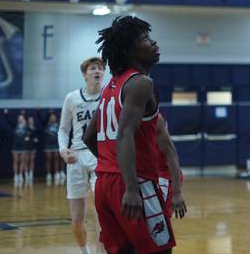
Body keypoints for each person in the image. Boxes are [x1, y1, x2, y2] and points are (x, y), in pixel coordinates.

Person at [83, 16, 178, 254]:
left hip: (104, 183)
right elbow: (124, 133)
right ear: (129, 50)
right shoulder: (141, 83)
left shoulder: (111, 86)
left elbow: (88, 137)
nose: (153, 42)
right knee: (158, 251)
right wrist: (132, 187)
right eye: (145, 39)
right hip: (134, 182)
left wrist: (111, 165)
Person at [59, 57, 104, 254]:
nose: (98, 71)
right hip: (76, 157)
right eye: (93, 68)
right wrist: (62, 149)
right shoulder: (72, 98)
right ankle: (84, 251)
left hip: (100, 158)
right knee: (77, 218)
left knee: (102, 215)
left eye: (101, 68)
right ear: (84, 74)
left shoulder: (109, 96)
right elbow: (62, 129)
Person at [155, 112, 187, 220]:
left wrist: (177, 193)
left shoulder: (155, 119)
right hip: (149, 174)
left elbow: (171, 153)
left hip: (164, 175)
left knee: (158, 223)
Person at [40, 111, 61, 184]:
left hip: (56, 144)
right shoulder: (46, 124)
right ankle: (49, 174)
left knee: (56, 159)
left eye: (53, 117)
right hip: (48, 145)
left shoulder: (58, 125)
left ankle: (56, 173)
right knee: (48, 159)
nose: (52, 118)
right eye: (51, 117)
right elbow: (40, 119)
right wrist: (39, 112)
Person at [26, 115, 39, 183]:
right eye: (29, 120)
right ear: (28, 121)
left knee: (31, 160)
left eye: (31, 120)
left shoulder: (35, 128)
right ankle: (26, 174)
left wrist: (36, 139)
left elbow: (36, 137)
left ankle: (31, 174)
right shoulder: (26, 128)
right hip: (27, 146)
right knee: (26, 160)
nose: (30, 121)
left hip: (33, 146)